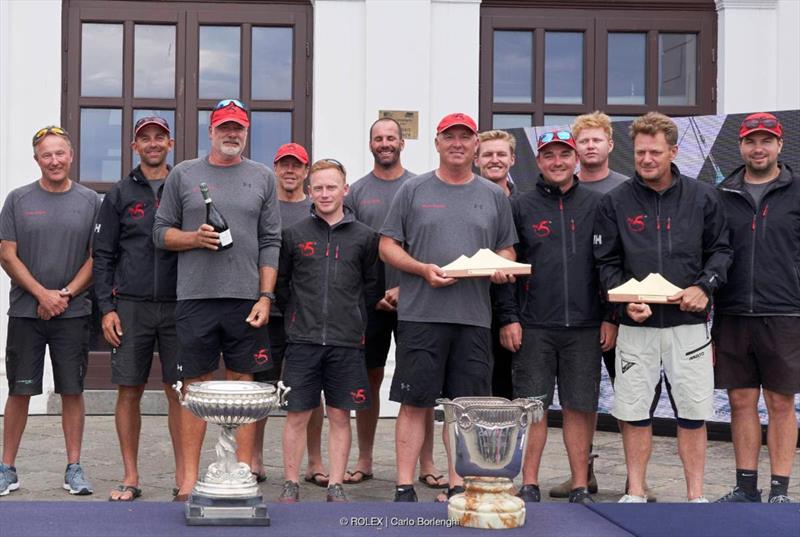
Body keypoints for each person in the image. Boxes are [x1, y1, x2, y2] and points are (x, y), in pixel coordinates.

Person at [593, 112, 732, 503]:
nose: (647, 159)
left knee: (692, 413)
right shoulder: (615, 202)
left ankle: (695, 496)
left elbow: (721, 251)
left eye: (655, 151)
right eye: (640, 152)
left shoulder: (704, 197)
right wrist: (624, 304)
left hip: (688, 326)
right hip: (637, 327)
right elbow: (606, 264)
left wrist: (705, 287)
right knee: (634, 412)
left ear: (673, 151)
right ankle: (635, 491)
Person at [380, 112, 517, 502]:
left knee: (466, 409)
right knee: (413, 401)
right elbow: (387, 245)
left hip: (473, 318)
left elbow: (507, 248)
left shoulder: (493, 195)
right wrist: (421, 270)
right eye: (449, 137)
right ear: (437, 144)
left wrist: (497, 267)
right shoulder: (414, 190)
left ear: (475, 146)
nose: (457, 143)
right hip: (421, 315)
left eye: (465, 137)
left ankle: (460, 485)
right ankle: (404, 486)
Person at [153, 99, 281, 501]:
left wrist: (265, 296)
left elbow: (270, 240)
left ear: (246, 133)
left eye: (238, 128)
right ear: (210, 131)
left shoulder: (262, 177)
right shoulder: (183, 174)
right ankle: (189, 480)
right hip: (195, 298)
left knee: (243, 389)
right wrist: (193, 238)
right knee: (194, 389)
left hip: (246, 300)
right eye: (224, 127)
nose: (231, 134)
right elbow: (160, 232)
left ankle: (240, 477)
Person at [495, 130, 615, 505]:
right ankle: (528, 483)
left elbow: (610, 265)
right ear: (539, 161)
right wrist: (508, 318)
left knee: (580, 407)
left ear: (576, 158)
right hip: (534, 326)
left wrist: (610, 316)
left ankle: (580, 484)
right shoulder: (521, 206)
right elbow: (506, 266)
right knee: (533, 407)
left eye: (565, 154)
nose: (558, 161)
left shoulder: (598, 205)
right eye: (549, 155)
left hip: (585, 326)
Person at [549, 111, 659, 501]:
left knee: (632, 396)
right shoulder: (560, 191)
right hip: (572, 318)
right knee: (581, 398)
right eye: (584, 141)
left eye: (598, 139)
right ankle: (585, 472)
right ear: (575, 150)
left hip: (620, 315)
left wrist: (613, 314)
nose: (591, 146)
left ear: (611, 145)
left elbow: (630, 257)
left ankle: (637, 480)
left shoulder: (628, 190)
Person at [344, 117, 445, 490]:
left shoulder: (420, 187)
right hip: (367, 302)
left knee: (422, 383)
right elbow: (350, 248)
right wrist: (368, 295)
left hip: (416, 297)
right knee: (368, 378)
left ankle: (428, 462)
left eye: (391, 138)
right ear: (370, 144)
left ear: (402, 143)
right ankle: (365, 458)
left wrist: (404, 287)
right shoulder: (356, 192)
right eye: (378, 138)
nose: (385, 143)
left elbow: (428, 246)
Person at [0, 126, 100, 496]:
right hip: (27, 312)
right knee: (20, 390)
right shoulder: (18, 199)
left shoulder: (91, 201)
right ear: (37, 160)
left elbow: (96, 256)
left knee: (72, 391)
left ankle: (73, 467)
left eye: (60, 153)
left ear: (71, 156)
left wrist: (64, 295)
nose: (54, 160)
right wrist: (42, 295)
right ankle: (7, 467)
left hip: (72, 314)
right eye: (47, 155)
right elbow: (6, 253)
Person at [277, 159, 380, 503]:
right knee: (297, 414)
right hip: (302, 340)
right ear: (309, 191)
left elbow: (371, 288)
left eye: (331, 187)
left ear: (345, 190)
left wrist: (349, 317)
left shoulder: (365, 238)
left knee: (339, 414)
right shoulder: (293, 235)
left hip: (346, 341)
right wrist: (298, 317)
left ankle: (335, 483)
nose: (324, 193)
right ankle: (291, 481)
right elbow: (282, 285)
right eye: (318, 188)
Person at [93, 116, 182, 501]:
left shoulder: (185, 186)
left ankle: (186, 477)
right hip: (130, 307)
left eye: (159, 137)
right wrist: (106, 308)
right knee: (129, 390)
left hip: (181, 305)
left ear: (170, 143)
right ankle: (130, 476)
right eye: (144, 138)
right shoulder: (119, 194)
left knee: (180, 391)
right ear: (134, 146)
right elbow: (103, 255)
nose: (152, 143)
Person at [714, 113, 798, 504]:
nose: (758, 148)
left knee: (780, 402)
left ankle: (780, 489)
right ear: (741, 146)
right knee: (740, 402)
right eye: (751, 141)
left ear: (780, 145)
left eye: (766, 141)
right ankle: (746, 487)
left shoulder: (797, 191)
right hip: (732, 313)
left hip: (786, 313)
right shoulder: (722, 194)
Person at [250, 142, 329, 487]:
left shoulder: (318, 211)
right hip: (268, 311)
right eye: (284, 165)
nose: (290, 171)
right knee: (262, 388)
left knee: (311, 392)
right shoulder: (264, 207)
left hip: (308, 314)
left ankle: (315, 460)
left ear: (306, 171)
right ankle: (254, 457)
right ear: (275, 168)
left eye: (296, 165)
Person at [476, 129, 517, 403]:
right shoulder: (465, 201)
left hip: (515, 314)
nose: (494, 160)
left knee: (508, 391)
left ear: (512, 159)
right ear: (476, 159)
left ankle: (508, 448)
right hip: (473, 310)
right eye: (487, 154)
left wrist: (509, 317)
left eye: (501, 154)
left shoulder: (525, 204)